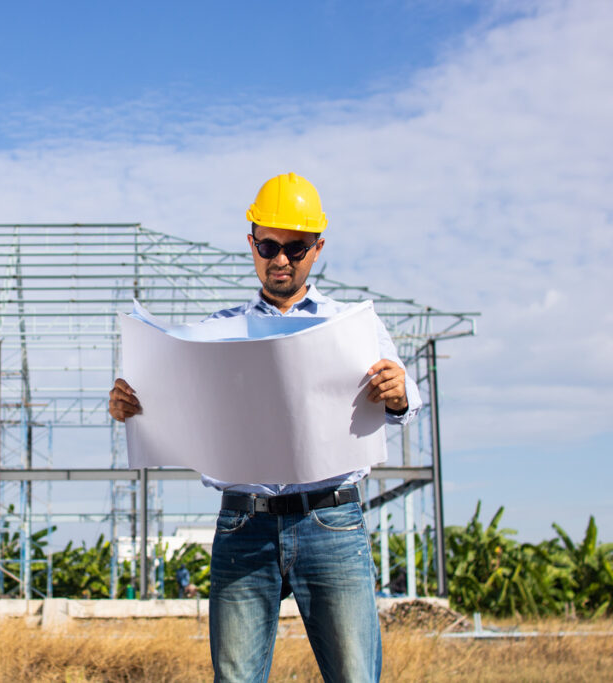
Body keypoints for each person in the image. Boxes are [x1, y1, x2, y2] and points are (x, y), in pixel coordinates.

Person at [108, 172, 421, 683]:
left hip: (331, 523)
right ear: (251, 244)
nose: (280, 259)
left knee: (356, 676)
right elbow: (171, 401)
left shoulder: (352, 325)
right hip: (243, 525)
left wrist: (400, 392)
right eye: (269, 245)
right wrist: (131, 404)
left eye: (294, 248)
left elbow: (407, 405)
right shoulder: (216, 331)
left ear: (317, 248)